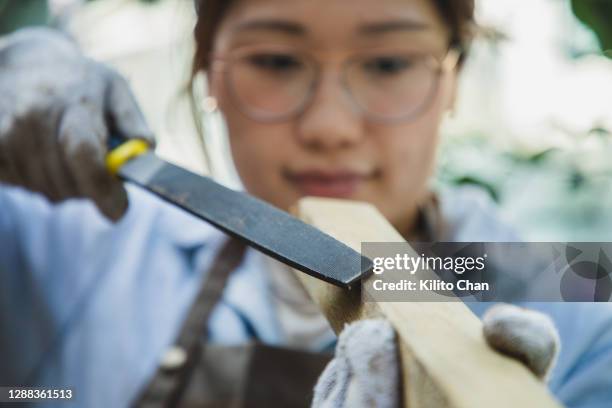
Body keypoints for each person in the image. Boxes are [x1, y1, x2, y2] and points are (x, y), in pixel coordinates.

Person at [1, 0, 611, 407]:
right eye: (276, 61)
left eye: (389, 63)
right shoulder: (65, 238)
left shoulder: (574, 291)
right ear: (209, 75)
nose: (329, 127)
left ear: (451, 79)